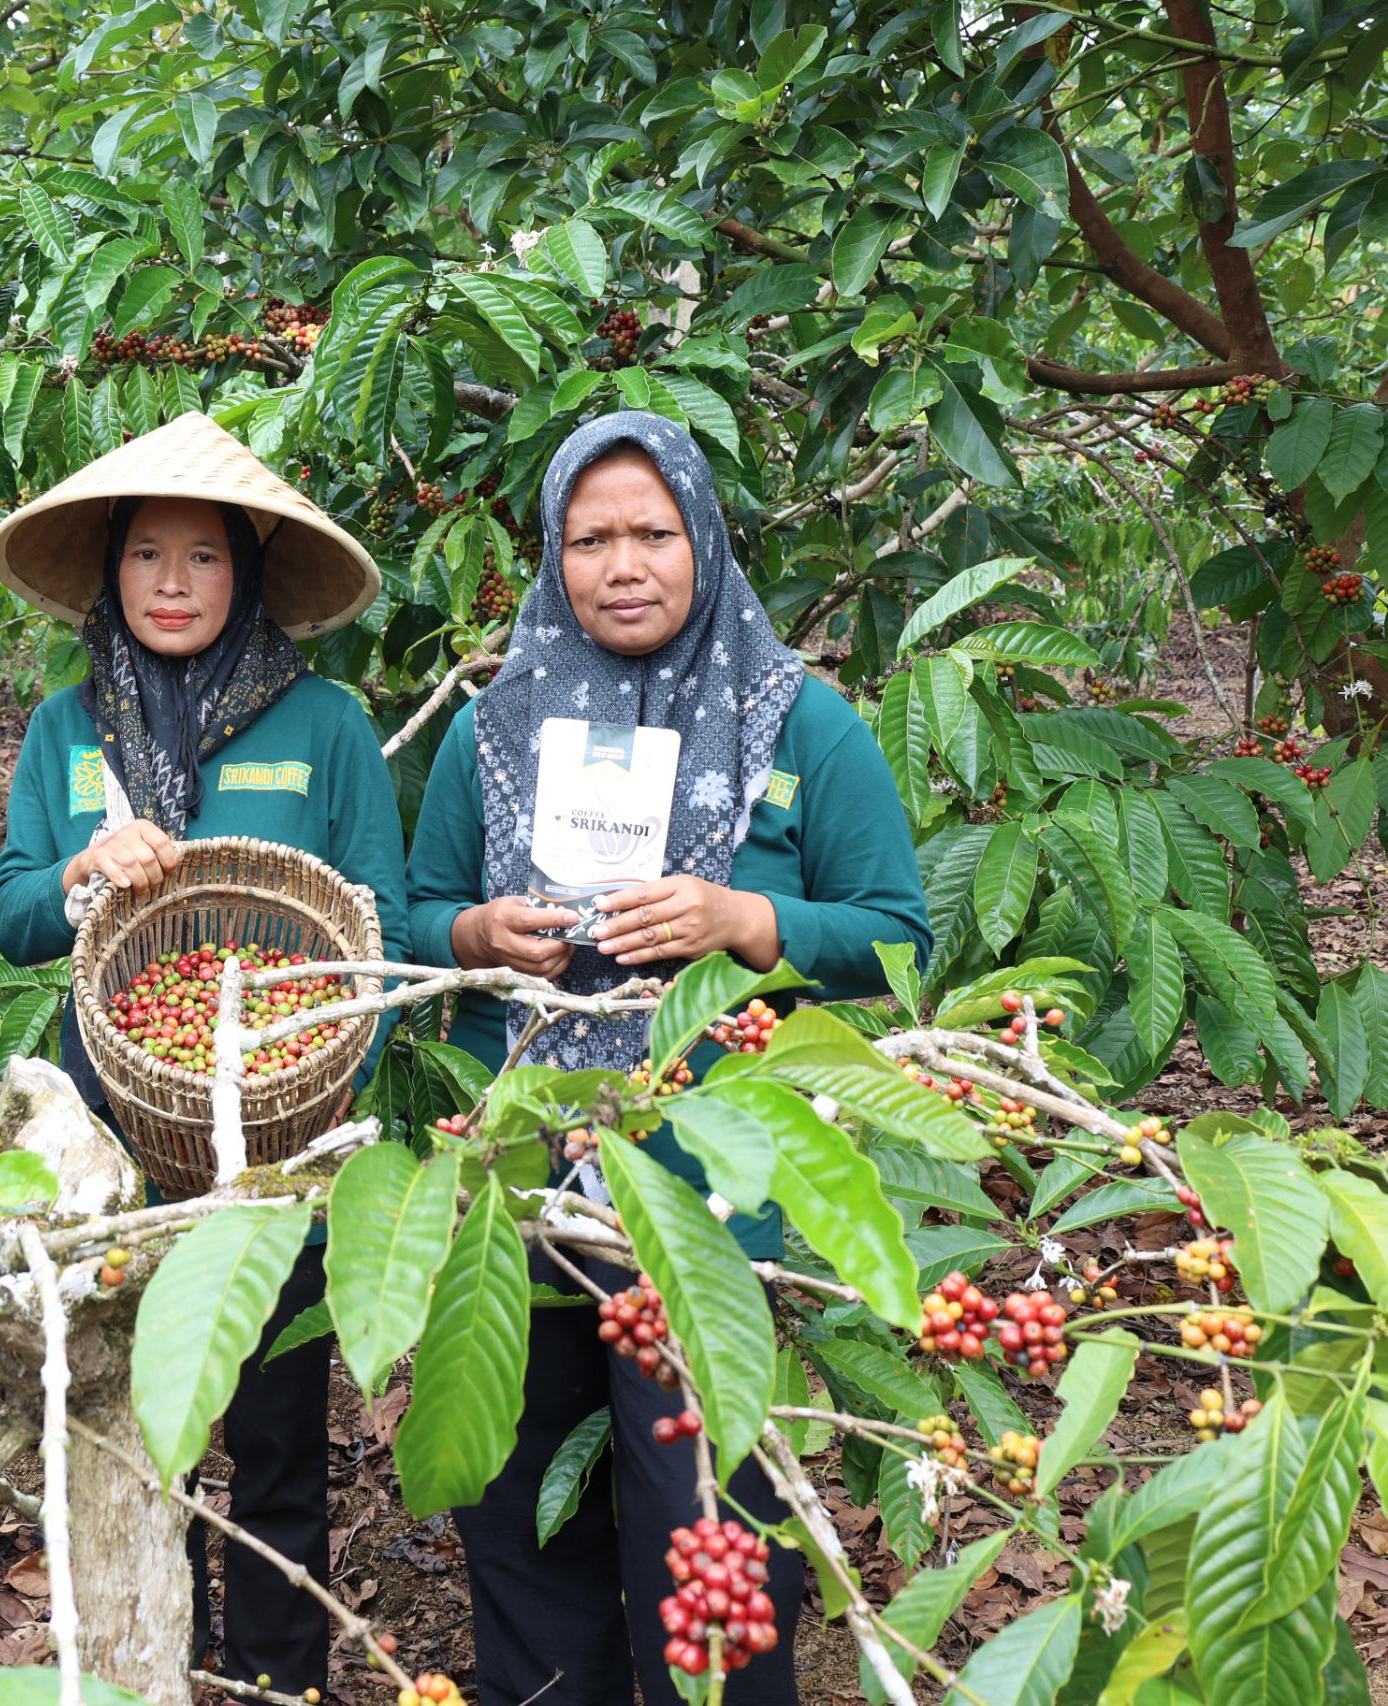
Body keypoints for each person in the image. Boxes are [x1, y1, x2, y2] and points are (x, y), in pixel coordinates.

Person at [404, 411, 931, 1706]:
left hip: (718, 1190)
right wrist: (477, 933)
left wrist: (745, 921)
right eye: (591, 538)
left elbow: (901, 938)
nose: (623, 563)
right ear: (551, 554)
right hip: (521, 1176)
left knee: (709, 1508)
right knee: (523, 1505)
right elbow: (408, 918)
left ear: (704, 538)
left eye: (654, 532)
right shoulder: (494, 731)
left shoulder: (801, 724)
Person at [0, 411, 407, 1699]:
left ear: (252, 571)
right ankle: (143, 1655)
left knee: (276, 1435)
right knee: (127, 1426)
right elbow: (6, 923)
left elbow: (376, 939)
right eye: (148, 555)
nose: (174, 584)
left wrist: (308, 1065)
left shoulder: (326, 725)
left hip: (282, 1145)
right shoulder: (66, 731)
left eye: (206, 557)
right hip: (112, 1140)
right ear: (109, 571)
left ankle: (279, 1673)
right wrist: (75, 872)